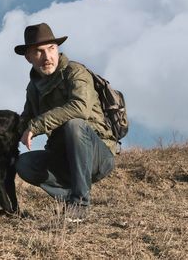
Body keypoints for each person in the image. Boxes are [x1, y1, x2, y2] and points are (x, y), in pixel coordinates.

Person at [14, 23, 116, 222]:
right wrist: (0, 131)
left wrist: (36, 126)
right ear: (28, 57)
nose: (47, 57)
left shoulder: (75, 72)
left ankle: (79, 203)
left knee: (74, 125)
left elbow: (80, 108)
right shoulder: (33, 87)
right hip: (64, 156)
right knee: (24, 163)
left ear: (57, 49)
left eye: (51, 49)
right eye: (39, 52)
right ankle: (70, 198)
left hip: (97, 154)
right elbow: (25, 119)